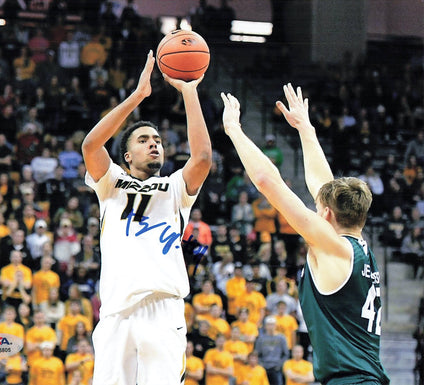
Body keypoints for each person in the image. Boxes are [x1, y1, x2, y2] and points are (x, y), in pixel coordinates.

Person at [220, 85, 389, 384]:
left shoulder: (333, 248)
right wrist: (305, 129)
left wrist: (234, 130)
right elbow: (323, 186)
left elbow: (266, 182)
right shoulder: (359, 248)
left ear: (326, 215)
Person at [81, 50, 212, 384]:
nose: (154, 144)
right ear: (127, 156)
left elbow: (202, 157)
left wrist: (189, 91)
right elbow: (91, 146)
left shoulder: (174, 188)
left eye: (157, 140)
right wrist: (137, 96)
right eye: (143, 140)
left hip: (162, 308)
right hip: (115, 313)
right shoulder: (110, 182)